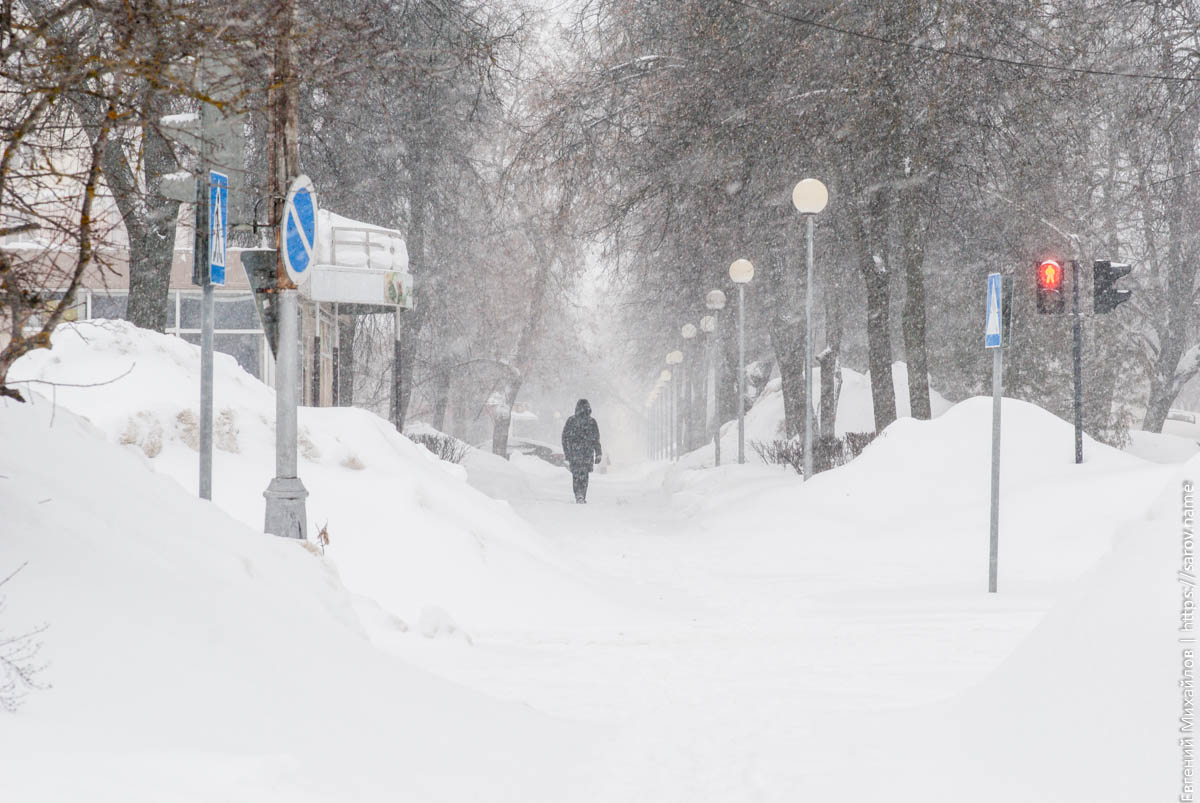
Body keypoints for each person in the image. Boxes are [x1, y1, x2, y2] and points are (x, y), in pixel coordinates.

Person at [561, 398, 602, 504]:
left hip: (574, 454)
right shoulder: (592, 422)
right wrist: (598, 453)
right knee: (584, 476)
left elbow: (565, 438)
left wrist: (567, 453)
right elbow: (596, 439)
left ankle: (578, 495)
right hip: (587, 454)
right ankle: (582, 495)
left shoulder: (571, 421)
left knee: (576, 475)